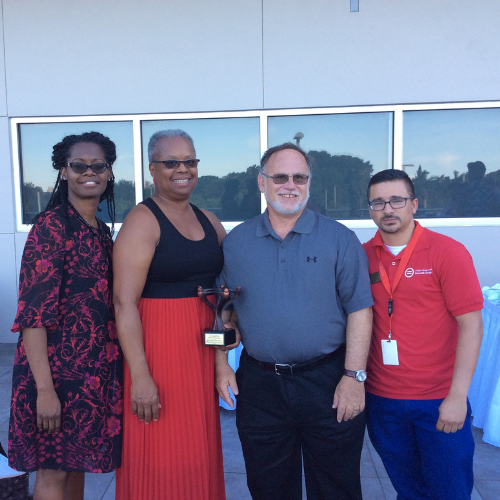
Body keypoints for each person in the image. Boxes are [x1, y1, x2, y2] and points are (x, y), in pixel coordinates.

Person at [216, 143, 373, 500]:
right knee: (269, 487)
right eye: (280, 177)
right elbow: (223, 313)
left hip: (328, 380)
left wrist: (353, 377)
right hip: (260, 387)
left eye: (299, 177)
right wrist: (221, 364)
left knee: (337, 487)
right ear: (262, 182)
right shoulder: (236, 242)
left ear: (309, 183)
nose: (290, 185)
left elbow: (360, 310)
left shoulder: (340, 239)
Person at [113, 129, 228, 500]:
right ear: (153, 169)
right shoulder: (142, 220)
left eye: (190, 161)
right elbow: (123, 303)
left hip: (200, 353)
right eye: (171, 162)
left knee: (198, 448)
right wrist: (141, 378)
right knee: (162, 453)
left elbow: (229, 287)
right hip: (158, 353)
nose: (183, 169)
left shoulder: (209, 220)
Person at [8, 132, 123, 500]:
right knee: (53, 472)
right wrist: (44, 391)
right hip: (53, 376)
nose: (88, 173)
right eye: (78, 165)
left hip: (89, 375)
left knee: (77, 469)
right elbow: (33, 316)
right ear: (63, 171)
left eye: (98, 166)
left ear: (108, 173)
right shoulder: (52, 227)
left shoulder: (100, 232)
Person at [363, 169, 484, 500]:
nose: (388, 209)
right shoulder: (362, 255)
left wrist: (458, 396)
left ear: (414, 204)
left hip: (438, 400)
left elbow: (471, 325)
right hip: (383, 400)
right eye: (378, 202)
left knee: (450, 491)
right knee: (408, 490)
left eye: (397, 200)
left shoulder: (447, 252)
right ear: (370, 209)